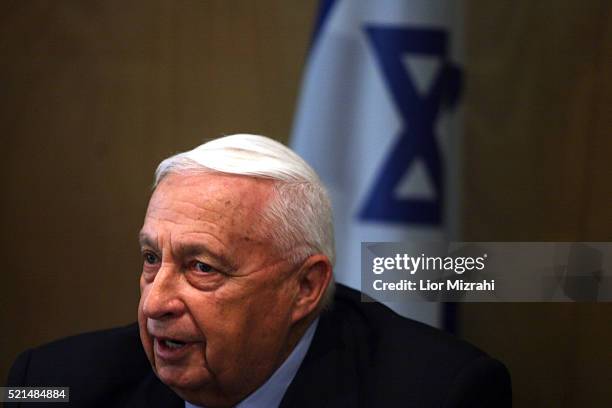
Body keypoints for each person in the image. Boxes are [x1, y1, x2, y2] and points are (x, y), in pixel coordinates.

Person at [6, 134, 511, 407]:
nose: (155, 303)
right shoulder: (49, 384)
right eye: (151, 259)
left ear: (305, 287)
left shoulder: (441, 395)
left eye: (201, 267)